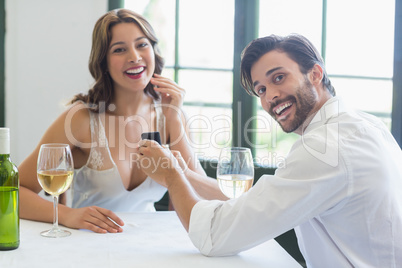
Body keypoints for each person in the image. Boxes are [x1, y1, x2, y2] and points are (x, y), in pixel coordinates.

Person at [136, 34, 402, 267]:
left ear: (315, 74)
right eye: (261, 89)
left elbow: (215, 237)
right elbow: (260, 203)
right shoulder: (364, 125)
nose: (270, 96)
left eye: (279, 77)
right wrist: (185, 174)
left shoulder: (324, 148)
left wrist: (172, 176)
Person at [19, 9, 224, 234]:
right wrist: (69, 215)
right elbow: (12, 190)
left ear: (154, 51)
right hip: (89, 244)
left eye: (142, 45)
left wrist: (174, 119)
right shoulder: (81, 118)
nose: (134, 56)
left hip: (150, 244)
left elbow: (208, 198)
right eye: (119, 49)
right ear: (104, 62)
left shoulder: (171, 115)